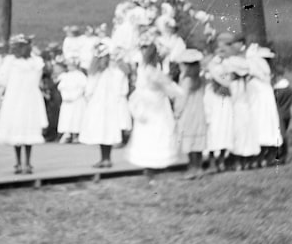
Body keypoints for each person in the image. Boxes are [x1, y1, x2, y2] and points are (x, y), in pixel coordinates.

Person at [0, 34, 47, 175]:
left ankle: (21, 163)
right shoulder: (29, 62)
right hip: (25, 97)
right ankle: (25, 163)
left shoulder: (28, 61)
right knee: (22, 129)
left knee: (24, 128)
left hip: (20, 97)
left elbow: (3, 79)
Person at [126, 43, 182, 176]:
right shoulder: (154, 73)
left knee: (149, 132)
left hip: (147, 103)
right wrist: (179, 90)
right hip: (155, 105)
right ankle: (154, 165)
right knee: (157, 132)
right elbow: (168, 88)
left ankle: (151, 165)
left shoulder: (143, 69)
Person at [78, 43, 129, 169]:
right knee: (107, 131)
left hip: (98, 105)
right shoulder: (113, 72)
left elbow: (90, 90)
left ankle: (105, 159)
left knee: (102, 130)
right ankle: (106, 158)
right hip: (110, 105)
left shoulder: (95, 73)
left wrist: (88, 99)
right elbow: (120, 86)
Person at [246, 45, 283, 167]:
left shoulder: (257, 75)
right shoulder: (265, 73)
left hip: (260, 104)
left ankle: (263, 156)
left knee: (262, 126)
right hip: (264, 102)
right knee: (269, 126)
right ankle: (270, 155)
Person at [203, 34, 235, 172]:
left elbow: (229, 79)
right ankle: (213, 157)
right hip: (214, 98)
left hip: (225, 97)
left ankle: (223, 156)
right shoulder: (212, 65)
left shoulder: (228, 64)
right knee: (214, 126)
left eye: (224, 50)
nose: (221, 53)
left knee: (225, 125)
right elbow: (213, 77)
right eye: (219, 50)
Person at [174, 49, 207, 177]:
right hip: (198, 111)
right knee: (197, 141)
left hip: (188, 113)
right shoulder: (199, 79)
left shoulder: (186, 80)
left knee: (190, 141)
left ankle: (193, 167)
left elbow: (182, 98)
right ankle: (197, 166)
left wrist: (177, 112)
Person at [55, 58, 87, 144]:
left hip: (77, 99)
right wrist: (66, 97)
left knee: (77, 117)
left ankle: (76, 135)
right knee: (67, 117)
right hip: (67, 100)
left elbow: (82, 88)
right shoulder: (65, 76)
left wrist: (74, 96)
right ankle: (67, 134)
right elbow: (62, 87)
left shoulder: (80, 75)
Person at [273, 65, 292, 164]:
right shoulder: (289, 88)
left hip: (279, 114)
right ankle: (284, 156)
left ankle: (281, 156)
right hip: (287, 113)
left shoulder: (277, 90)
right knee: (284, 134)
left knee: (280, 135)